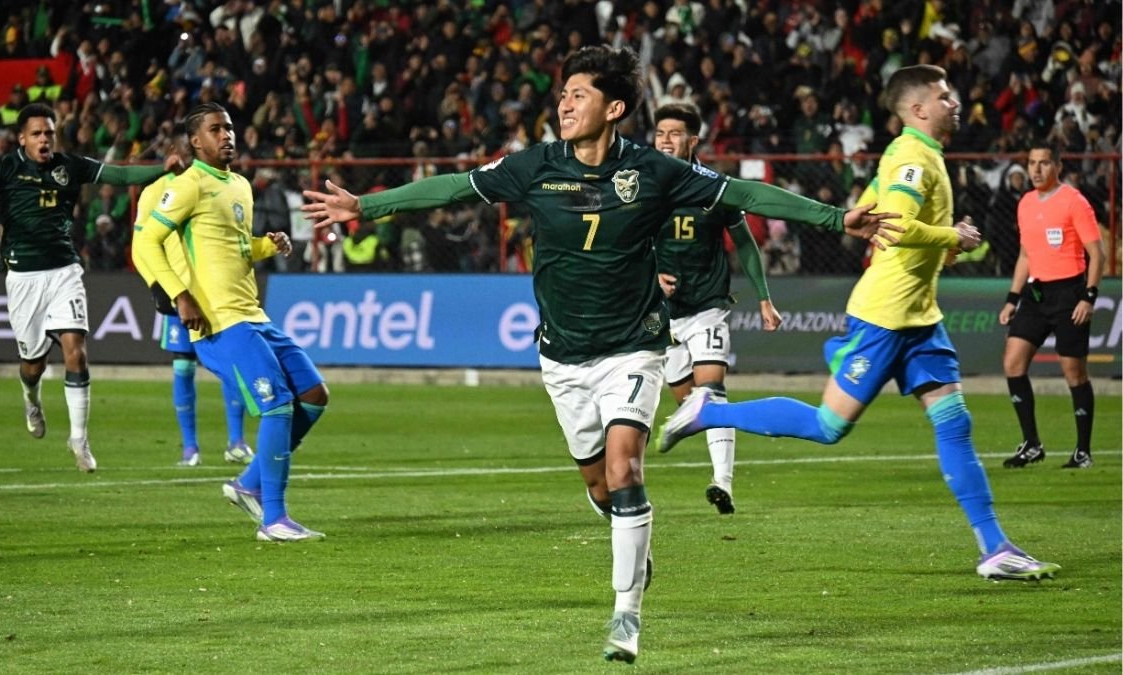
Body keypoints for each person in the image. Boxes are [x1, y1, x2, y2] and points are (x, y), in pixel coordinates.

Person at [302, 46, 899, 664]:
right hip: (561, 356)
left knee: (625, 470)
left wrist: (834, 218)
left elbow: (744, 193)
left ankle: (625, 615)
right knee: (599, 485)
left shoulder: (656, 171)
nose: (563, 102)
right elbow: (454, 186)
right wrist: (365, 206)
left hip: (634, 348)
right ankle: (634, 546)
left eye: (578, 94)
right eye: (562, 93)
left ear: (613, 108)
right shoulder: (536, 166)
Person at [656, 65, 1062, 584]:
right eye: (944, 96)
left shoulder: (909, 153)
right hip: (886, 317)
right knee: (829, 426)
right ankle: (710, 411)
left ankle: (994, 548)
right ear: (918, 109)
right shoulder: (913, 157)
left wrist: (939, 247)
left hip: (920, 316)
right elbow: (893, 224)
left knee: (955, 421)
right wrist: (949, 238)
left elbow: (872, 211)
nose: (955, 102)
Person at [0, 103, 181, 472]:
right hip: (23, 278)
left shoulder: (69, 165)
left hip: (64, 272)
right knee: (33, 365)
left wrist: (160, 170)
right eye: (37, 133)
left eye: (49, 133)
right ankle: (31, 398)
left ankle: (79, 440)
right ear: (22, 138)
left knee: (76, 352)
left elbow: (118, 175)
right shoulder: (6, 166)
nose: (44, 139)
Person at [133, 102, 329, 542]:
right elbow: (146, 243)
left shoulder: (239, 184)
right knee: (277, 404)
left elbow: (232, 248)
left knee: (314, 395)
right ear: (196, 141)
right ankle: (273, 519)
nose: (227, 135)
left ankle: (247, 483)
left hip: (253, 313)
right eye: (216, 129)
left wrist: (264, 245)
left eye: (230, 128)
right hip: (218, 320)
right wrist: (179, 295)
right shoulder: (188, 186)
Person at [652, 102, 783, 515]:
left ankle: (722, 482)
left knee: (711, 391)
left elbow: (744, 242)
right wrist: (650, 276)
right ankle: (688, 425)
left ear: (693, 140)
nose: (665, 140)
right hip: (660, 313)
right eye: (660, 133)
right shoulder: (642, 188)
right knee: (688, 402)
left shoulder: (715, 188)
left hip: (708, 305)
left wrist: (763, 296)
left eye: (674, 133)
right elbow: (624, 244)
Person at [132, 125, 254, 468]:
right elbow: (142, 243)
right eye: (178, 149)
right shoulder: (156, 190)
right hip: (178, 292)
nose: (183, 156)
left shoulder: (218, 184)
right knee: (183, 367)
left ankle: (236, 442)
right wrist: (158, 286)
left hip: (216, 293)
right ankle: (190, 447)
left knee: (232, 368)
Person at [998, 143, 1104, 470]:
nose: (1036, 170)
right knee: (1013, 363)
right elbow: (1025, 255)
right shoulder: (1026, 203)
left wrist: (1089, 296)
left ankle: (1082, 451)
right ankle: (1032, 444)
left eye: (1044, 163)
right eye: (1031, 163)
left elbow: (1097, 254)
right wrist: (1012, 298)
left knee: (1073, 372)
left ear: (1058, 166)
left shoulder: (1075, 201)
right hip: (1036, 294)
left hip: (1070, 294)